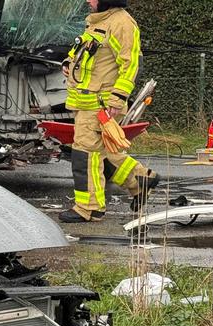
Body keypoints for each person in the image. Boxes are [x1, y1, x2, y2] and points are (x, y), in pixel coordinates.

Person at [60, 0, 159, 223]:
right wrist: (68, 62)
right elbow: (82, 53)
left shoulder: (121, 23)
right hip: (87, 102)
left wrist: (118, 97)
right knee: (106, 154)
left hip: (101, 104)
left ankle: (89, 208)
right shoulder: (97, 22)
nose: (88, 0)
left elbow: (131, 64)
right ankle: (141, 180)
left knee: (85, 155)